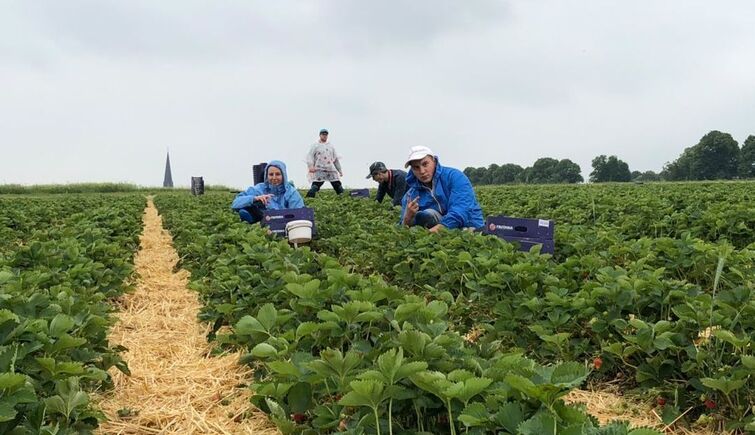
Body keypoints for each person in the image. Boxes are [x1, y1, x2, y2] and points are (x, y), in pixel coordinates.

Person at [399, 146, 484, 233]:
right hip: (438, 234)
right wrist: (407, 218)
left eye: (425, 164)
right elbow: (402, 230)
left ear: (434, 161)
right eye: (416, 167)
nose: (422, 171)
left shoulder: (455, 177)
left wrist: (432, 232)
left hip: (469, 226)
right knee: (425, 215)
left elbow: (461, 210)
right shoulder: (410, 195)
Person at [231, 160, 304, 224]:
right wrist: (254, 198)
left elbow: (299, 214)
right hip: (261, 225)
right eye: (271, 174)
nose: (274, 177)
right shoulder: (259, 188)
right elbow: (235, 203)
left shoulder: (291, 192)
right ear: (266, 175)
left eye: (278, 174)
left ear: (284, 175)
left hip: (286, 225)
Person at [306, 128, 344, 197]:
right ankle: (309, 199)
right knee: (315, 186)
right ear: (320, 135)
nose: (324, 136)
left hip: (330, 169)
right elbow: (310, 156)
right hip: (319, 169)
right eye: (323, 134)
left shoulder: (330, 146)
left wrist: (340, 170)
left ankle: (344, 198)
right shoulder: (315, 146)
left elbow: (335, 159)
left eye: (326, 135)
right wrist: (310, 166)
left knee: (337, 185)